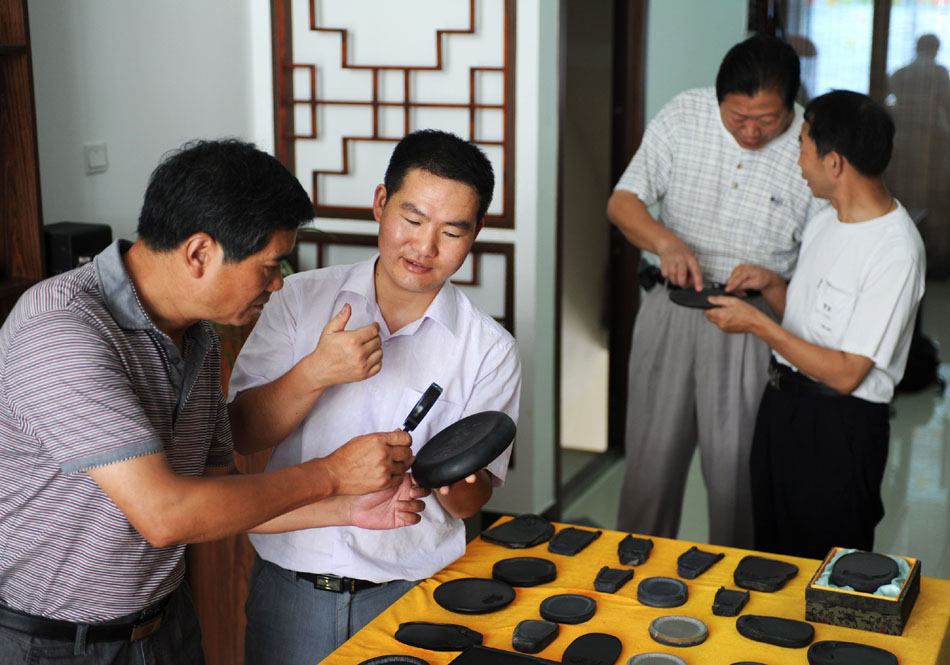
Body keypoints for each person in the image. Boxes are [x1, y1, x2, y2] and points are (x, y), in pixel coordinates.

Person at [0, 139, 425, 665]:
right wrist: (332, 474)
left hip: (167, 628)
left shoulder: (195, 336)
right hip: (55, 644)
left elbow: (220, 494)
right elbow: (166, 513)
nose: (278, 283)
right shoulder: (61, 326)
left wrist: (345, 509)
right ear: (199, 252)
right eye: (269, 266)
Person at [227, 129, 522, 664]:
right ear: (381, 203)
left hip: (412, 590)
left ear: (475, 233)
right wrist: (316, 372)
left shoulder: (489, 349)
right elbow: (242, 432)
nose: (425, 248)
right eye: (412, 220)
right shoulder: (296, 298)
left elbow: (473, 501)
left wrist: (453, 480)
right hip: (293, 584)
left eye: (452, 231)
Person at [608, 34, 826, 548]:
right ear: (718, 99)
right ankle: (633, 588)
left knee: (737, 482)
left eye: (767, 120)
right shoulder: (685, 114)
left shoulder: (814, 149)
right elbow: (623, 201)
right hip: (669, 308)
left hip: (752, 323)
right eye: (737, 117)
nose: (750, 131)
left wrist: (775, 287)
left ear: (793, 105)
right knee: (649, 471)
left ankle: (737, 601)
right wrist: (665, 241)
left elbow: (821, 265)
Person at [705, 90, 925, 559]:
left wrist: (757, 326)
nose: (798, 162)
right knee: (771, 556)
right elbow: (810, 325)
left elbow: (847, 373)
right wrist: (771, 288)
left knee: (827, 567)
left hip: (839, 427)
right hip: (782, 407)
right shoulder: (826, 221)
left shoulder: (895, 250)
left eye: (803, 147)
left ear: (836, 163)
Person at [887, 33, 950, 276]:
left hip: (902, 142)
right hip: (933, 144)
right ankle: (932, 256)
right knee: (933, 199)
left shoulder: (901, 72)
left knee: (905, 197)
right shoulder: (940, 73)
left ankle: (903, 253)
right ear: (935, 49)